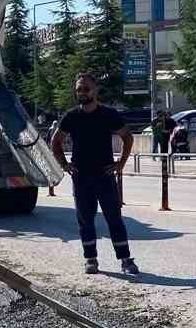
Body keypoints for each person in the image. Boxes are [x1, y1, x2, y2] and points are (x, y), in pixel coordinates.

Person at [52, 73, 139, 275]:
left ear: (95, 90)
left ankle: (126, 260)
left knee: (114, 219)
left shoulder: (108, 114)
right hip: (81, 178)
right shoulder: (71, 116)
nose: (82, 92)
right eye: (79, 89)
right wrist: (64, 164)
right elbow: (56, 142)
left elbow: (127, 137)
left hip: (105, 176)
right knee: (85, 220)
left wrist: (121, 163)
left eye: (86, 89)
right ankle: (91, 259)